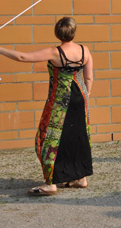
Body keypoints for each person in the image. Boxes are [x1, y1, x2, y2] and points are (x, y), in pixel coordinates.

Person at [0, 17, 94, 196]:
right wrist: (86, 94)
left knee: (47, 139)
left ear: (57, 33)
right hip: (81, 98)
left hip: (60, 100)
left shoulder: (54, 52)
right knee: (78, 136)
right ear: (74, 32)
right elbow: (88, 78)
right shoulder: (84, 50)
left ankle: (51, 184)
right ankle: (81, 178)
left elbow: (22, 57)